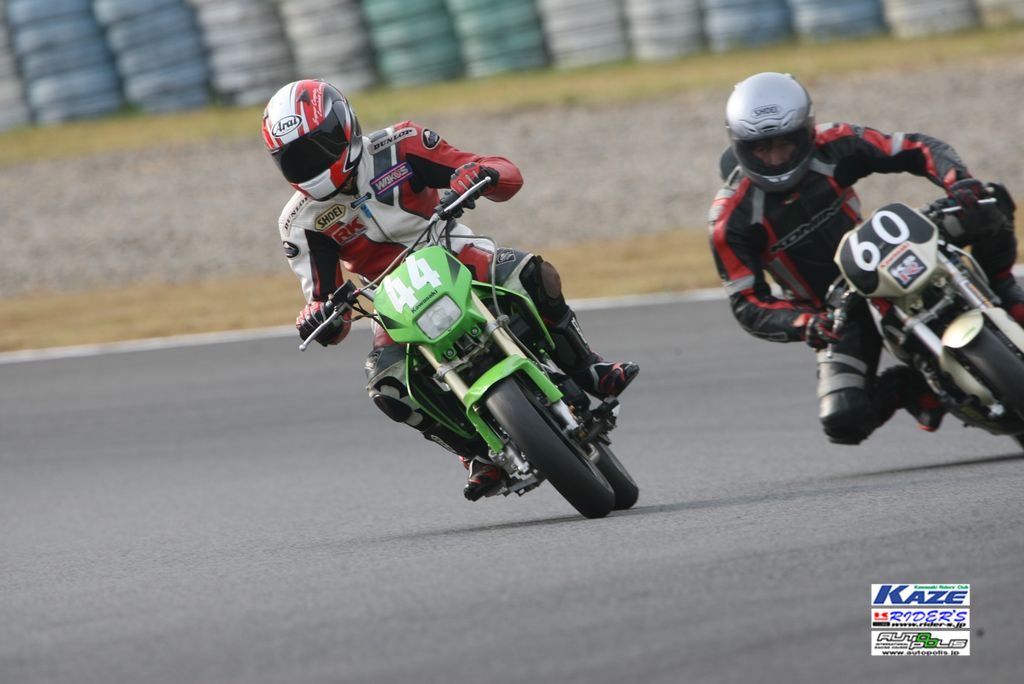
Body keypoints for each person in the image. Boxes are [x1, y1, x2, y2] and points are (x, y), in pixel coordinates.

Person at [262, 79, 638, 499]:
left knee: (534, 274)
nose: (311, 162)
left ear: (344, 127)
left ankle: (588, 368)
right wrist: (319, 315)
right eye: (296, 158)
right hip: (390, 297)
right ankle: (476, 453)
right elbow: (329, 304)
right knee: (386, 384)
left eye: (318, 147)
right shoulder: (299, 221)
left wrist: (481, 174)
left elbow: (503, 173)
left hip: (450, 248)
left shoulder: (401, 145)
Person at [708, 71, 1024, 445]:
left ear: (806, 132)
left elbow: (915, 147)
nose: (776, 159)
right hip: (835, 310)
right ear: (740, 146)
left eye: (786, 145)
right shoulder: (731, 220)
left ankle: (1003, 288)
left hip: (886, 247)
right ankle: (914, 389)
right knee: (845, 419)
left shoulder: (834, 143)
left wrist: (958, 182)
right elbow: (747, 302)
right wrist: (805, 324)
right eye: (762, 149)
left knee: (987, 201)